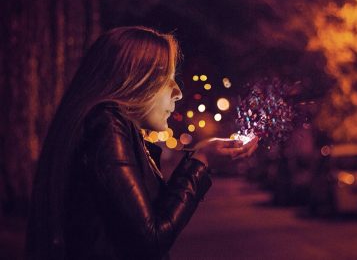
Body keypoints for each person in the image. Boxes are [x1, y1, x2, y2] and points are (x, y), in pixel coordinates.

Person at [25, 26, 259, 260]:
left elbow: (147, 217)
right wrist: (201, 161)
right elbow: (151, 238)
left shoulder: (112, 127)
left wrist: (200, 157)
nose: (177, 92)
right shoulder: (106, 124)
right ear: (134, 79)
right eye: (166, 79)